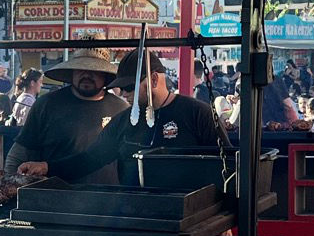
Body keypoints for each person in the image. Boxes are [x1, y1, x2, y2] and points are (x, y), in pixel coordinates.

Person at [44, 49, 227, 182]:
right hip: (135, 213)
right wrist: (47, 168)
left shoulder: (198, 114)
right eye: (121, 88)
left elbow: (225, 165)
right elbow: (90, 159)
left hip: (192, 216)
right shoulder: (123, 122)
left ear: (154, 80)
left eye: (129, 87)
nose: (123, 93)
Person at [7, 48, 131, 185]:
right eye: (80, 69)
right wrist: (11, 185)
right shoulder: (46, 105)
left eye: (94, 71)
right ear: (72, 72)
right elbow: (19, 153)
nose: (87, 75)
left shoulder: (121, 109)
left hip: (107, 198)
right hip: (53, 197)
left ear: (105, 75)